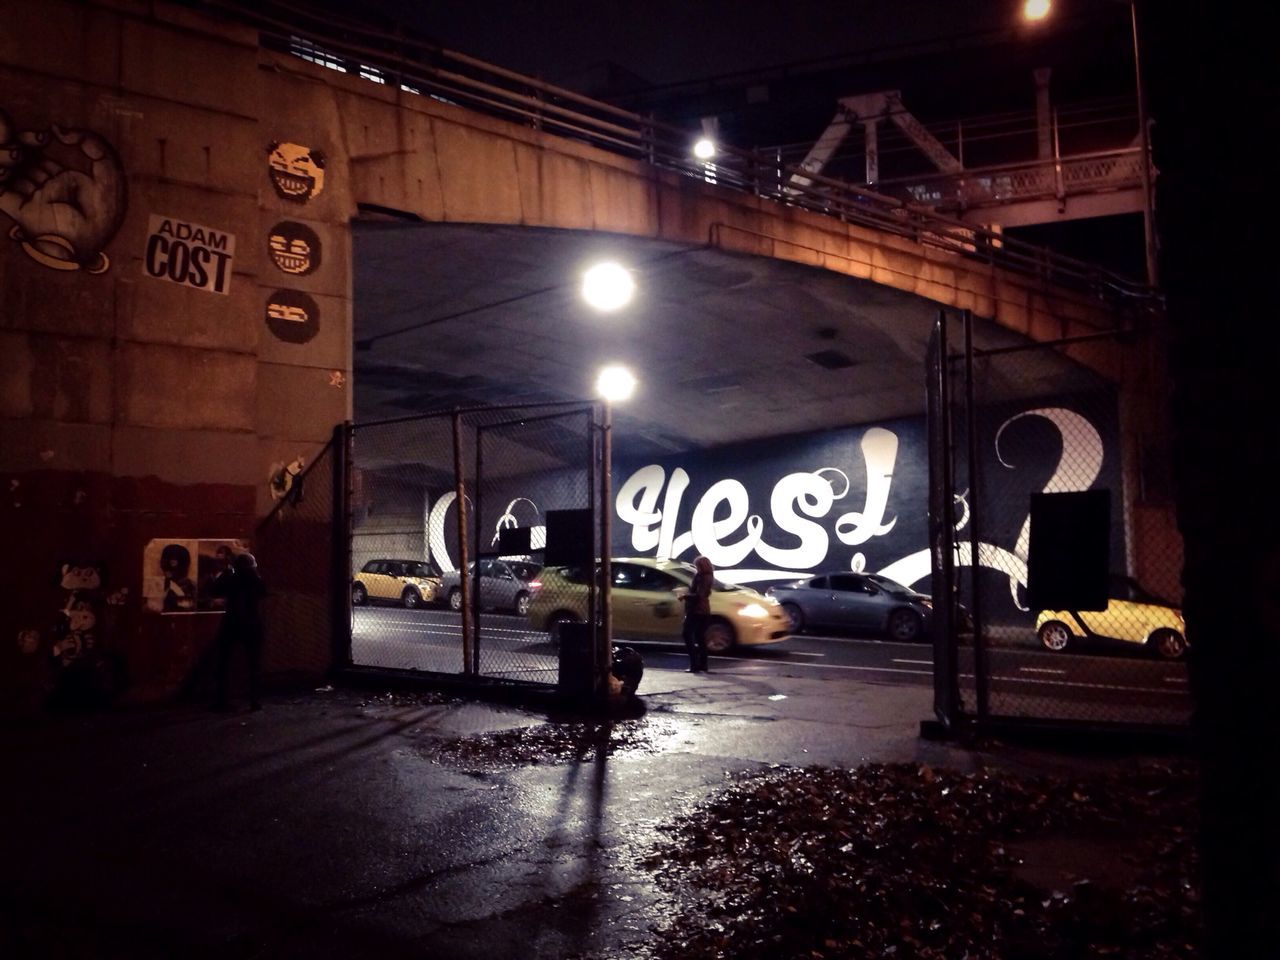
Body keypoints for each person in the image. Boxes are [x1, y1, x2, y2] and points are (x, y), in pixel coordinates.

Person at [211, 552, 267, 711]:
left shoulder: (231, 578)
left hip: (232, 623)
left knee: (223, 662)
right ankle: (255, 701)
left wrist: (226, 573)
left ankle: (223, 700)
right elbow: (263, 592)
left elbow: (215, 590)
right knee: (254, 664)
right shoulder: (256, 580)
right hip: (253, 624)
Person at [681, 555, 714, 673]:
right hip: (704, 610)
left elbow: (699, 595)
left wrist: (684, 596)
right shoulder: (708, 577)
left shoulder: (702, 577)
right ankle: (702, 665)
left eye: (697, 565)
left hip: (697, 610)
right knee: (700, 637)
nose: (696, 568)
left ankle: (694, 665)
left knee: (687, 634)